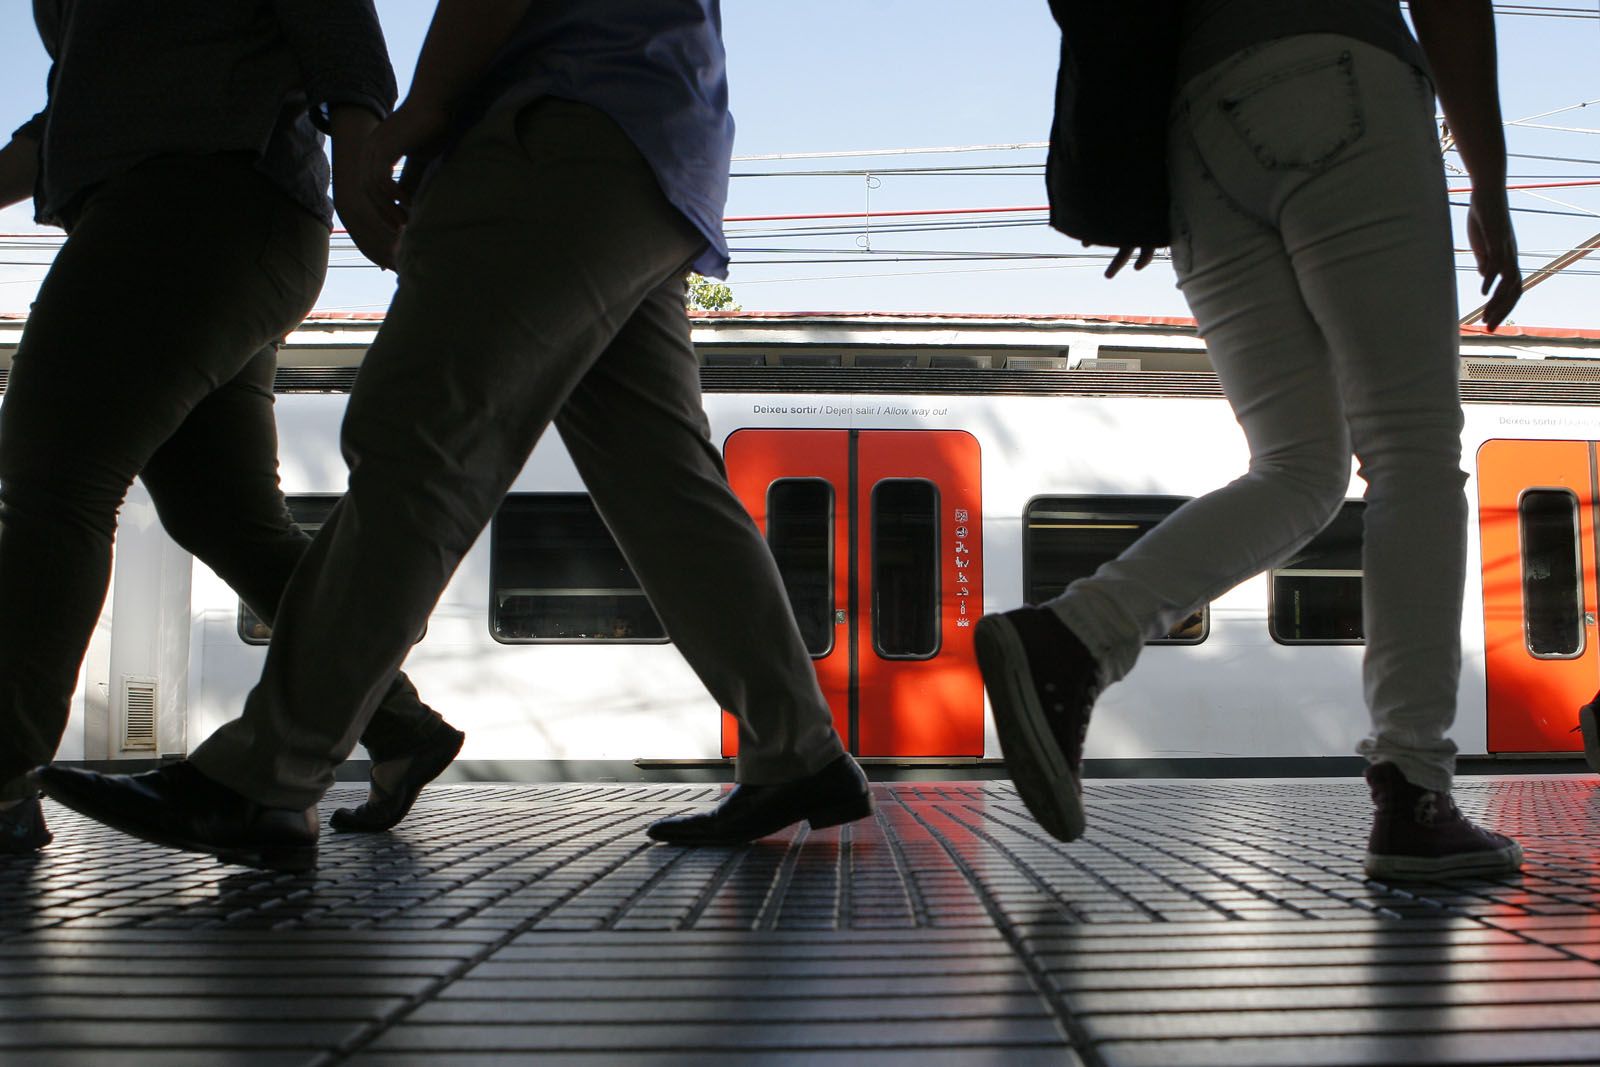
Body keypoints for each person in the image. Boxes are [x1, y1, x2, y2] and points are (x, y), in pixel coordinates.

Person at [38, 0, 872, 872]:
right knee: (662, 479)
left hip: (556, 126)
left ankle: (266, 777)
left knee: (418, 440)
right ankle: (796, 750)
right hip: (657, 148)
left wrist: (420, 113)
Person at [977, 0, 1525, 879]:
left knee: (1301, 467)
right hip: (1338, 77)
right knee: (1411, 450)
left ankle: (1074, 635)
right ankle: (1415, 790)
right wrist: (1491, 185)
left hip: (1195, 137)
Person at [0, 0, 466, 857]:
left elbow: (331, 24)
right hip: (228, 217)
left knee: (52, 482)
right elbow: (82, 105)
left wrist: (364, 149)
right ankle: (397, 721)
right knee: (222, 512)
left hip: (188, 203)